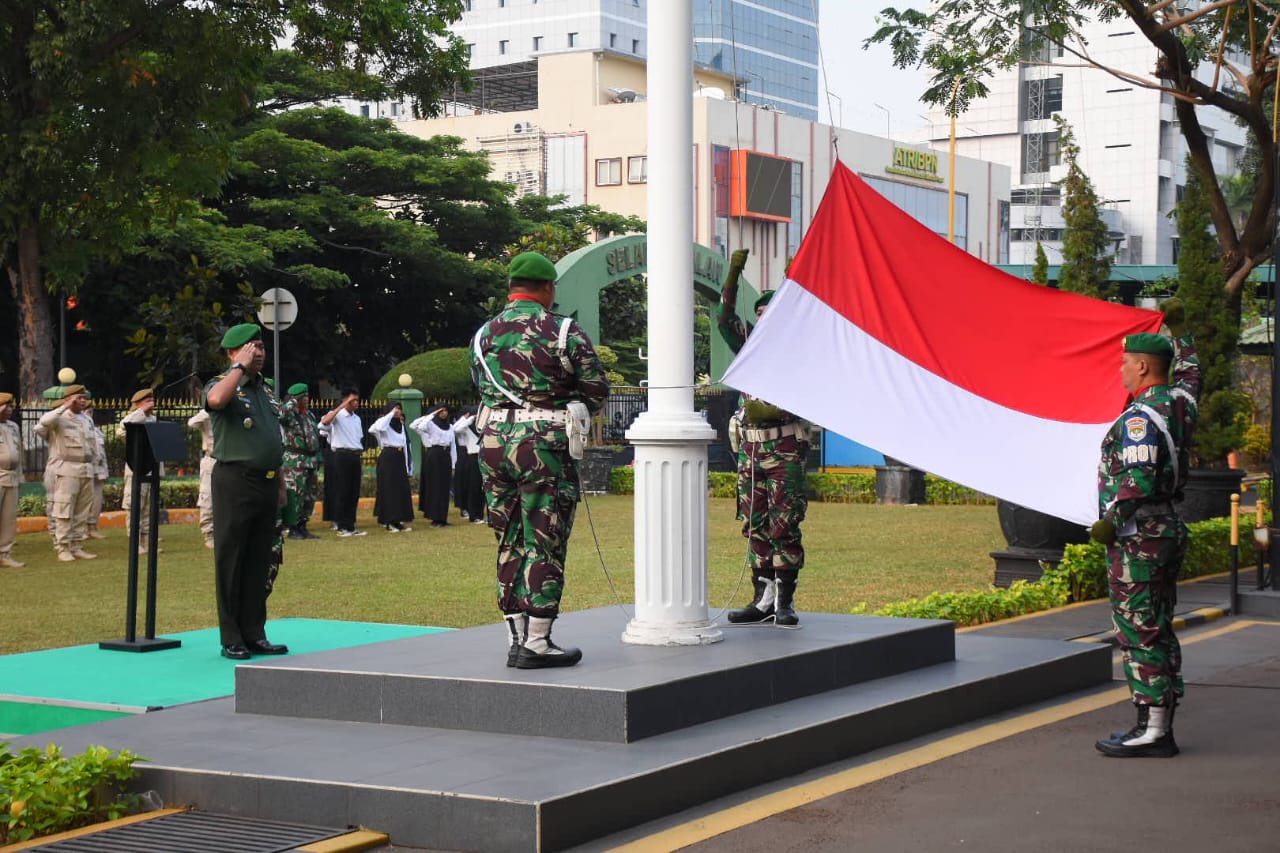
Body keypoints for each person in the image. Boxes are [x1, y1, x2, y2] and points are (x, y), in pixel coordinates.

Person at [472, 251, 609, 668]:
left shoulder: (483, 334)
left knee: (508, 538)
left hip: (494, 441)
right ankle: (537, 640)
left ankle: (515, 637)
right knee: (544, 539)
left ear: (512, 287)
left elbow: (481, 385)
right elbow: (596, 391)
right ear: (548, 288)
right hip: (543, 445)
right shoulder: (563, 330)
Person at [1092, 301, 1199, 759]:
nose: (1120, 370)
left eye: (1123, 363)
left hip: (1140, 535)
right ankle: (1159, 722)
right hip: (1167, 527)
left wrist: (1110, 522)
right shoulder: (1181, 402)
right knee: (1160, 625)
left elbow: (1138, 479)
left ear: (1141, 365)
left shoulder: (1139, 418)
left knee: (1140, 630)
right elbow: (1192, 373)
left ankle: (1152, 729)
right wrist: (1181, 330)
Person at [716, 248, 811, 627]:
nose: (761, 320)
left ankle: (785, 600)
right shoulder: (749, 350)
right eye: (757, 315)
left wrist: (793, 280)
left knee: (784, 522)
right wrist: (732, 277)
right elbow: (724, 320)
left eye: (768, 313)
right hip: (752, 448)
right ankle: (762, 597)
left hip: (785, 447)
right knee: (754, 522)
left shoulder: (797, 350)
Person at [204, 322, 289, 661]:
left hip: (267, 481)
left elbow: (272, 437)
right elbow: (215, 400)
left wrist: (281, 482)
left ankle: (255, 632)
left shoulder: (266, 389)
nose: (259, 352)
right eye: (251, 347)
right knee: (232, 560)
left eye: (261, 347)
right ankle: (232, 637)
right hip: (235, 480)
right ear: (232, 352)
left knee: (258, 560)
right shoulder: (222, 384)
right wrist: (238, 367)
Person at [36, 384, 98, 562]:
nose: (83, 400)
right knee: (64, 509)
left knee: (82, 510)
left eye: (83, 397)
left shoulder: (87, 420)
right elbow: (44, 423)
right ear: (68, 399)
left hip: (85, 468)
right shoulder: (59, 417)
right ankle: (62, 547)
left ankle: (76, 545)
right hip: (67, 469)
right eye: (78, 397)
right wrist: (64, 406)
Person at [319, 389, 366, 537]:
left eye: (357, 400)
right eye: (353, 400)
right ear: (346, 401)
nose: (357, 403)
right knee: (342, 491)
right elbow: (324, 422)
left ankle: (350, 525)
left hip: (354, 455)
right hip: (342, 455)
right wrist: (341, 405)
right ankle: (341, 526)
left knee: (354, 492)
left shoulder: (357, 419)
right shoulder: (337, 415)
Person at [119, 388, 160, 554]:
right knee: (135, 506)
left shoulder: (154, 420)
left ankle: (148, 542)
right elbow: (123, 429)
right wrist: (140, 411)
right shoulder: (132, 420)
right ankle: (135, 543)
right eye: (146, 401)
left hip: (153, 470)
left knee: (150, 510)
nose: (151, 403)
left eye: (152, 399)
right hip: (137, 469)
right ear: (137, 404)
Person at [279, 383, 323, 540]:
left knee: (309, 495)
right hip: (295, 461)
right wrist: (292, 402)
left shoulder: (309, 415)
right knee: (296, 494)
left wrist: (318, 457)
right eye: (303, 397)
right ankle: (293, 527)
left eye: (307, 396)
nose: (307, 399)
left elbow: (314, 437)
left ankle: (303, 525)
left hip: (310, 460)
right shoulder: (290, 414)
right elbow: (280, 414)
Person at [367, 402, 415, 532]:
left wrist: (406, 465)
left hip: (399, 457)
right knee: (390, 489)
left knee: (400, 490)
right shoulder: (385, 423)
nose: (398, 411)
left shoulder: (401, 425)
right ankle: (389, 521)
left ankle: (398, 520)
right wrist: (390, 414)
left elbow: (404, 444)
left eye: (399, 409)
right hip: (389, 456)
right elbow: (374, 428)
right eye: (396, 409)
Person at [409, 405, 456, 527]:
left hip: (446, 455)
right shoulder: (430, 424)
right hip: (434, 455)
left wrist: (454, 463)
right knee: (435, 486)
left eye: (445, 410)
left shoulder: (450, 426)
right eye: (441, 410)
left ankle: (443, 517)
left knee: (444, 487)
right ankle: (435, 518)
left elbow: (453, 445)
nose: (444, 413)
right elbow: (415, 425)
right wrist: (432, 415)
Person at [0, 392, 24, 568]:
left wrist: (20, 476)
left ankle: (4, 554)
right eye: (5, 406)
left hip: (11, 476)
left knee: (9, 518)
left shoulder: (13, 427)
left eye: (10, 406)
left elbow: (19, 454)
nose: (9, 409)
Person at [187, 407, 216, 548]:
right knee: (208, 497)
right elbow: (191, 423)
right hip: (211, 460)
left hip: (228, 461)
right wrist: (207, 413)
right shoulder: (206, 414)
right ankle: (209, 534)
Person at [452, 406, 486, 524]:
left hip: (484, 457)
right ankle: (473, 515)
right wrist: (469, 418)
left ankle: (480, 514)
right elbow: (455, 429)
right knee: (474, 487)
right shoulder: (466, 428)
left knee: (483, 488)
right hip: (472, 457)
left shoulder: (483, 427)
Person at [85, 400, 109, 541]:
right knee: (84, 502)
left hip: (99, 470)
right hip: (87, 469)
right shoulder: (80, 429)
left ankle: (92, 527)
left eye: (90, 409)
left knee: (96, 501)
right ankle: (82, 529)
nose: (89, 412)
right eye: (86, 409)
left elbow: (101, 453)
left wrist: (103, 471)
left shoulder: (96, 430)